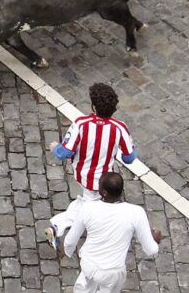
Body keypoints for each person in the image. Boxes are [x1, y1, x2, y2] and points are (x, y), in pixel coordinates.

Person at [45, 83, 136, 252]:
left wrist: (54, 147)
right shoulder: (120, 128)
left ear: (93, 106)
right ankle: (57, 226)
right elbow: (129, 158)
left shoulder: (81, 124)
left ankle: (57, 226)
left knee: (88, 201)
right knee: (92, 208)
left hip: (82, 176)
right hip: (104, 180)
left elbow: (64, 152)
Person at [64, 172, 161, 293]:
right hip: (112, 272)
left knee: (84, 287)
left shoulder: (88, 208)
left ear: (104, 192)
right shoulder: (136, 212)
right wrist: (155, 240)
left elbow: (69, 241)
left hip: (89, 264)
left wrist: (68, 252)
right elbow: (151, 249)